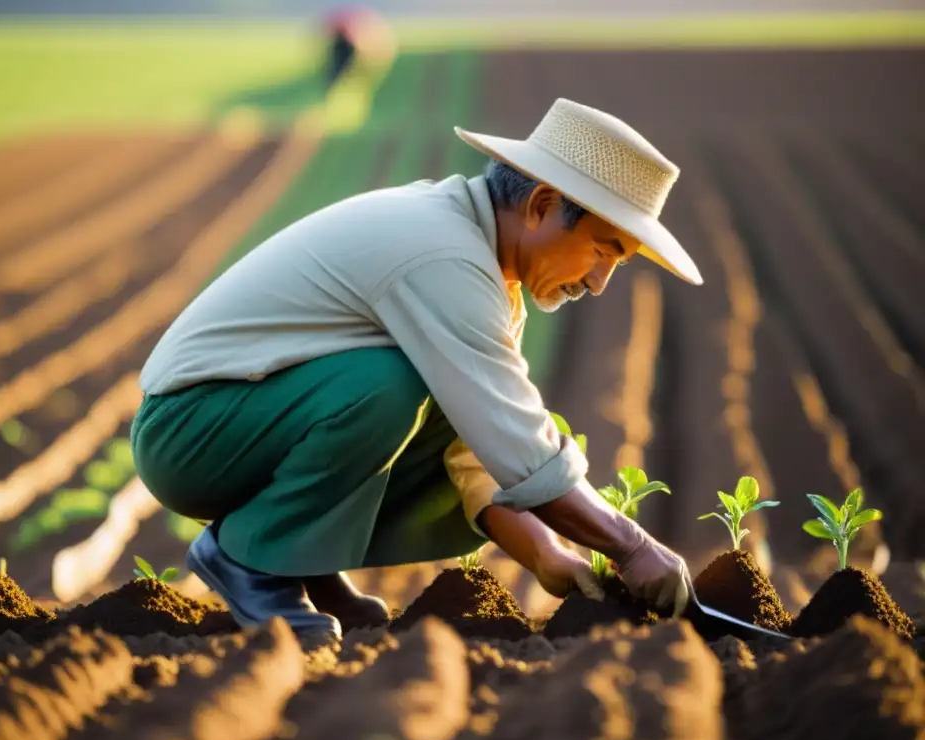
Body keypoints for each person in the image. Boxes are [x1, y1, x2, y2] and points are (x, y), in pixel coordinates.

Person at [131, 98, 704, 641]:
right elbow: (521, 445)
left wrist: (547, 557)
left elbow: (474, 450)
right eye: (603, 250)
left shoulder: (486, 275)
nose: (600, 281)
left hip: (238, 420)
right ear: (542, 206)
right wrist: (632, 547)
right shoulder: (445, 256)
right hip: (187, 432)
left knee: (443, 401)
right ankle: (244, 561)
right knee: (392, 387)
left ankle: (297, 562)